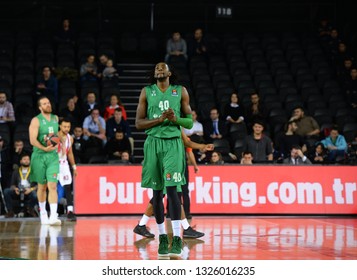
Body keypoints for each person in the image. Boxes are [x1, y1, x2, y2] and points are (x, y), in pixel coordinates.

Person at [135, 62, 193, 257]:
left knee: (173, 191)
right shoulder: (146, 92)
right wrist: (159, 120)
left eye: (163, 68)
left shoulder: (180, 91)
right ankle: (162, 239)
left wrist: (175, 119)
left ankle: (176, 237)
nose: (159, 69)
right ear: (154, 74)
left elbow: (190, 122)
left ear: (169, 72)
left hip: (172, 144)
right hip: (153, 144)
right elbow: (138, 123)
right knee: (157, 194)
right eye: (156, 68)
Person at [133, 130, 214, 238]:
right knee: (164, 195)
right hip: (167, 165)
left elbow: (187, 144)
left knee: (174, 195)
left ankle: (184, 228)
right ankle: (182, 229)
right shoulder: (161, 129)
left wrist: (202, 147)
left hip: (176, 165)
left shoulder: (176, 127)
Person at [29, 96, 61, 225]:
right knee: (41, 187)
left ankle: (54, 215)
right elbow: (32, 140)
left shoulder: (56, 118)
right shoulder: (36, 121)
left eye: (48, 102)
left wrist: (59, 142)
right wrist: (44, 148)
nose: (48, 105)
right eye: (44, 103)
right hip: (39, 156)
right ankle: (43, 212)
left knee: (52, 185)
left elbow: (56, 136)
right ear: (40, 107)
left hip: (52, 156)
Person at [4, 153, 38, 218]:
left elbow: (38, 185)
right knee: (6, 191)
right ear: (21, 161)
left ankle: (30, 209)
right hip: (18, 191)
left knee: (34, 195)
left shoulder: (34, 171)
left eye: (28, 159)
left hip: (29, 191)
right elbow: (12, 185)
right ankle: (10, 211)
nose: (26, 161)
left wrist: (30, 189)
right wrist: (15, 189)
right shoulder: (16, 171)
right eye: (24, 159)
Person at [57, 118, 78, 221]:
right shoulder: (54, 136)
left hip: (64, 164)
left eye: (68, 127)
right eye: (64, 126)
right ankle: (51, 210)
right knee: (51, 187)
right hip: (53, 164)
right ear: (60, 126)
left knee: (68, 187)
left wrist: (74, 167)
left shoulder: (70, 138)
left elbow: (70, 153)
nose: (66, 128)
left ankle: (70, 211)